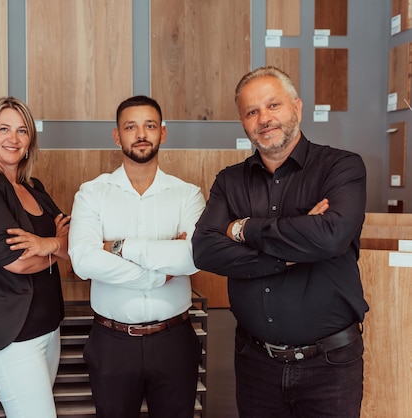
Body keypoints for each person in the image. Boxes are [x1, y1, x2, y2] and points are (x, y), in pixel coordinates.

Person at [192, 66, 368, 417]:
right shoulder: (230, 182)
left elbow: (331, 236)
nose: (264, 119)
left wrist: (243, 229)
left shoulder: (341, 167)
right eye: (252, 111)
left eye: (274, 105)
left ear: (297, 108)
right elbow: (204, 249)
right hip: (257, 363)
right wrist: (292, 250)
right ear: (243, 122)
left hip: (329, 366)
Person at [67, 95, 205, 418]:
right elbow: (84, 260)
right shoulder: (92, 193)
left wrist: (118, 247)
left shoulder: (187, 195)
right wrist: (158, 271)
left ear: (163, 133)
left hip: (174, 341)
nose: (141, 134)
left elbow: (194, 257)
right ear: (117, 136)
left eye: (149, 126)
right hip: (112, 343)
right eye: (131, 126)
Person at [0, 96, 70, 418]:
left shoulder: (35, 187)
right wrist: (56, 246)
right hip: (11, 335)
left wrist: (47, 245)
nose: (14, 138)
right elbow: (17, 261)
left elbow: (73, 243)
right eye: (3, 128)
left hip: (48, 326)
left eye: (22, 131)